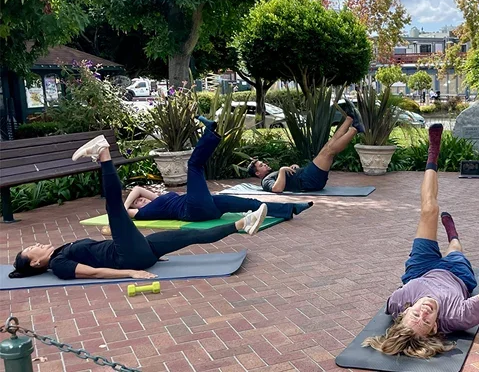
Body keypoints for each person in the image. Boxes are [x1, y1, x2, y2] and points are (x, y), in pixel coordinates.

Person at [364, 124, 479, 358]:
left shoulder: (397, 302)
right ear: (434, 328)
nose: (423, 312)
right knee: (455, 248)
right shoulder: (458, 316)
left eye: (415, 315)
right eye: (426, 321)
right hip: (456, 276)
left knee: (429, 209)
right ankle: (453, 233)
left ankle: (432, 155)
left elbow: (400, 313)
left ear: (404, 312)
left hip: (420, 271)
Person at [9, 135, 269, 280]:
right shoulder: (59, 265)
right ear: (36, 263)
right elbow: (95, 272)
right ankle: (103, 153)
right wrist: (132, 273)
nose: (36, 245)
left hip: (140, 251)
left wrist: (144, 255)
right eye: (32, 250)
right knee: (114, 207)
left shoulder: (60, 252)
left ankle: (242, 224)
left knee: (191, 234)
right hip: (126, 256)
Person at [126, 117, 312, 221]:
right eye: (138, 202)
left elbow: (138, 189)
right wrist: (126, 207)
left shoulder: (157, 200)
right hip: (193, 210)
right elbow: (124, 212)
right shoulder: (144, 213)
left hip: (209, 207)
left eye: (140, 199)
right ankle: (210, 132)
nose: (141, 199)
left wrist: (132, 200)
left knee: (250, 203)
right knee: (194, 165)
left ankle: (290, 209)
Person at [248, 113, 360, 194]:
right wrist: (282, 170)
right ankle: (355, 129)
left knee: (328, 146)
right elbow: (277, 189)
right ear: (257, 173)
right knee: (328, 152)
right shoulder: (266, 181)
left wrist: (294, 168)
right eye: (261, 166)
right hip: (308, 180)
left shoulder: (271, 174)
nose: (265, 164)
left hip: (307, 176)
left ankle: (349, 119)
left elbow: (287, 181)